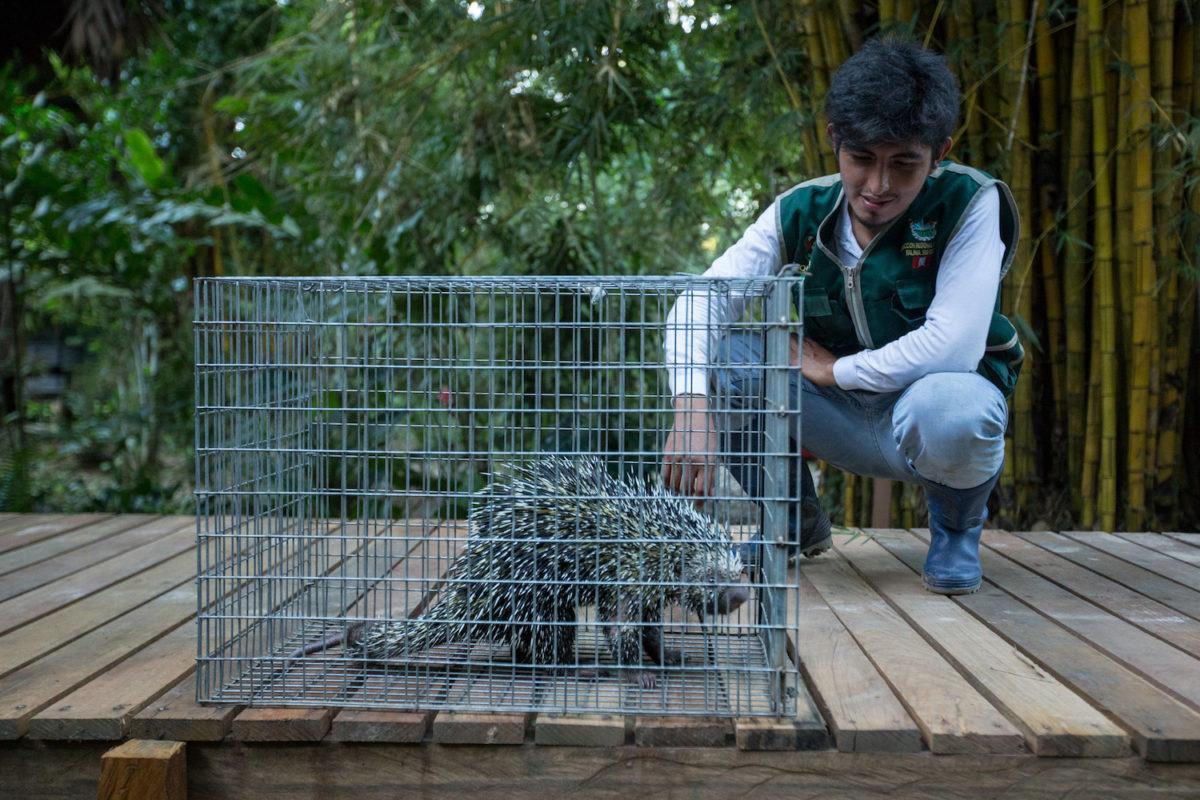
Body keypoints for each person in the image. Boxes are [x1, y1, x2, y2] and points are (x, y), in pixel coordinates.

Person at [660, 36, 1023, 595]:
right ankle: (791, 520)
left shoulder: (973, 202)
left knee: (954, 403)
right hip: (833, 416)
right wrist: (690, 403)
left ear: (940, 151)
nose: (878, 186)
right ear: (834, 139)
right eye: (861, 160)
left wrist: (835, 371)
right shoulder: (799, 209)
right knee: (722, 362)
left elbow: (954, 347)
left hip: (926, 415)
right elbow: (703, 298)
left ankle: (956, 529)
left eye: (904, 164)